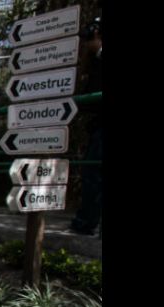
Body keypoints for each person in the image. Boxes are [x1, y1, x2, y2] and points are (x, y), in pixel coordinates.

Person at [70, 17, 103, 237]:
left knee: (94, 173)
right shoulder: (95, 60)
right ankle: (86, 220)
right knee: (92, 171)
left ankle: (87, 222)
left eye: (88, 38)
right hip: (98, 123)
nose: (86, 44)